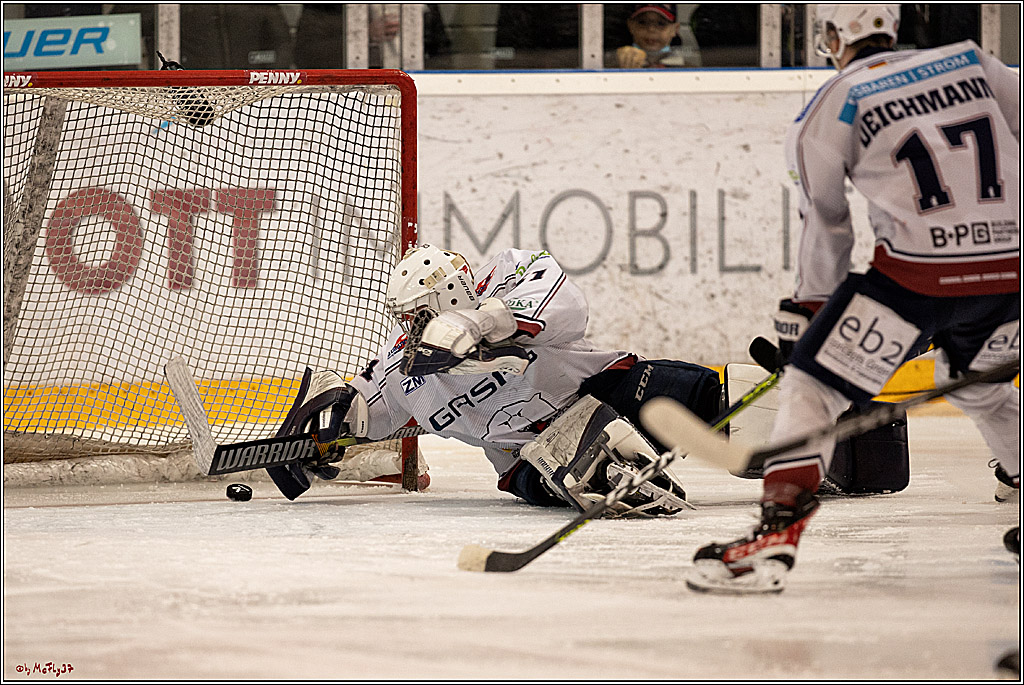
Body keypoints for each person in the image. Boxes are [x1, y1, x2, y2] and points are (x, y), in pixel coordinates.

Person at [684, 4, 1020, 595]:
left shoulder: (833, 103)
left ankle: (773, 538)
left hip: (916, 281)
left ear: (835, 36)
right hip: (1011, 274)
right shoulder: (976, 63)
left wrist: (810, 312)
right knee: (976, 380)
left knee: (814, 387)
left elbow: (827, 225)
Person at [266, 246, 724, 517]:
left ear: (449, 296)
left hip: (605, 389)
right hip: (526, 461)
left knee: (717, 400)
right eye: (405, 318)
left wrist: (481, 324)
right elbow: (367, 410)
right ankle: (605, 472)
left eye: (418, 314)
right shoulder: (402, 369)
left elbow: (564, 301)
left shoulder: (510, 278)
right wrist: (324, 432)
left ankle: (785, 444)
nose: (410, 327)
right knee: (573, 467)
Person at [613, 4, 685, 69]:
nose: (651, 29)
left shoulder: (687, 69)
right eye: (642, 22)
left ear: (675, 29)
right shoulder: (616, 62)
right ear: (630, 26)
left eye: (661, 23)